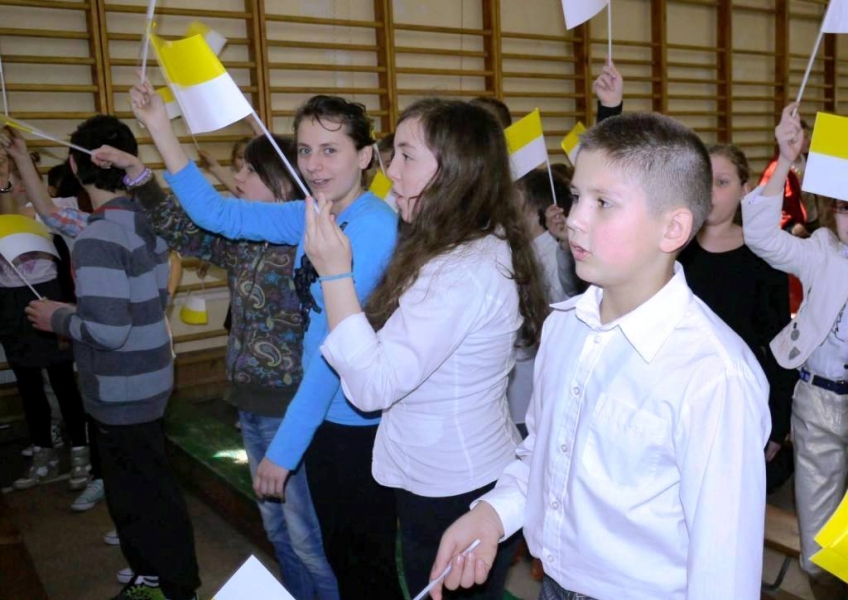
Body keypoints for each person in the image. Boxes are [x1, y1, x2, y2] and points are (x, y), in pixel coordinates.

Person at [430, 112, 771, 600]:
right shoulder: (565, 326)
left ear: (672, 228)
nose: (574, 219)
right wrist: (492, 513)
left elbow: (724, 568)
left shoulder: (712, 374)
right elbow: (545, 453)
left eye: (603, 203)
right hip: (555, 585)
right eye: (576, 197)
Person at [128, 82, 402, 600]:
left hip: (354, 424)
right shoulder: (313, 212)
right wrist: (160, 126)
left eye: (330, 150)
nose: (314, 165)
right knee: (340, 556)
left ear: (365, 156)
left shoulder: (373, 228)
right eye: (305, 150)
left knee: (362, 566)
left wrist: (285, 448)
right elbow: (220, 216)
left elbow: (333, 350)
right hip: (323, 417)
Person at [303, 98, 548, 599]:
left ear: (455, 172)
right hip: (447, 472)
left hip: (455, 486)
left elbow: (372, 387)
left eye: (407, 156)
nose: (390, 170)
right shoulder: (454, 244)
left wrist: (334, 273)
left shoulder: (460, 270)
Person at [84, 135, 339, 600]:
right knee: (278, 531)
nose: (236, 178)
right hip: (250, 404)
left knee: (307, 538)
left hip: (291, 410)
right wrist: (137, 172)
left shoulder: (313, 242)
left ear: (281, 182)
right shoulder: (243, 242)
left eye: (248, 170)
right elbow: (179, 227)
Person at [22, 115, 200, 600]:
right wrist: (20, 160)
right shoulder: (143, 217)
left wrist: (57, 317)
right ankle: (155, 574)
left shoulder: (99, 237)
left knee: (140, 494)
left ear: (75, 168)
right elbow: (55, 219)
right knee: (143, 488)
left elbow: (107, 330)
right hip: (150, 377)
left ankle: (172, 584)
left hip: (122, 386)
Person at [742, 103, 848, 599]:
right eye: (844, 208)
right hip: (818, 402)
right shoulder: (821, 250)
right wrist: (785, 159)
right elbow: (761, 236)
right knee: (820, 542)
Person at [678, 143, 796, 493]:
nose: (711, 192)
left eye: (722, 182)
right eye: (705, 182)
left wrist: (778, 421)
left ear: (744, 190)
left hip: (740, 401)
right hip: (681, 394)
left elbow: (780, 343)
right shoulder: (674, 249)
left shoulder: (763, 257)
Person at [0, 142, 89, 493]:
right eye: (11, 180)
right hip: (10, 301)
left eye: (20, 179)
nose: (16, 186)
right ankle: (43, 450)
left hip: (49, 295)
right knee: (27, 383)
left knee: (62, 379)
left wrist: (9, 179)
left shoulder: (53, 210)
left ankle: (81, 450)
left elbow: (18, 219)